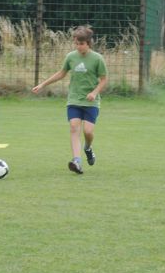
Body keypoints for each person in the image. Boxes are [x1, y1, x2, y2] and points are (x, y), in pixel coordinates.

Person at [31, 25, 108, 175]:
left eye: (82, 44)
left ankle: (87, 148)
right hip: (74, 100)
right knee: (74, 127)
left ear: (88, 43)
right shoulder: (71, 57)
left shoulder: (98, 59)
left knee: (88, 132)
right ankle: (77, 161)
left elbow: (104, 80)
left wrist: (94, 92)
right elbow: (61, 73)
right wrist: (42, 84)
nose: (78, 47)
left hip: (91, 102)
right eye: (76, 44)